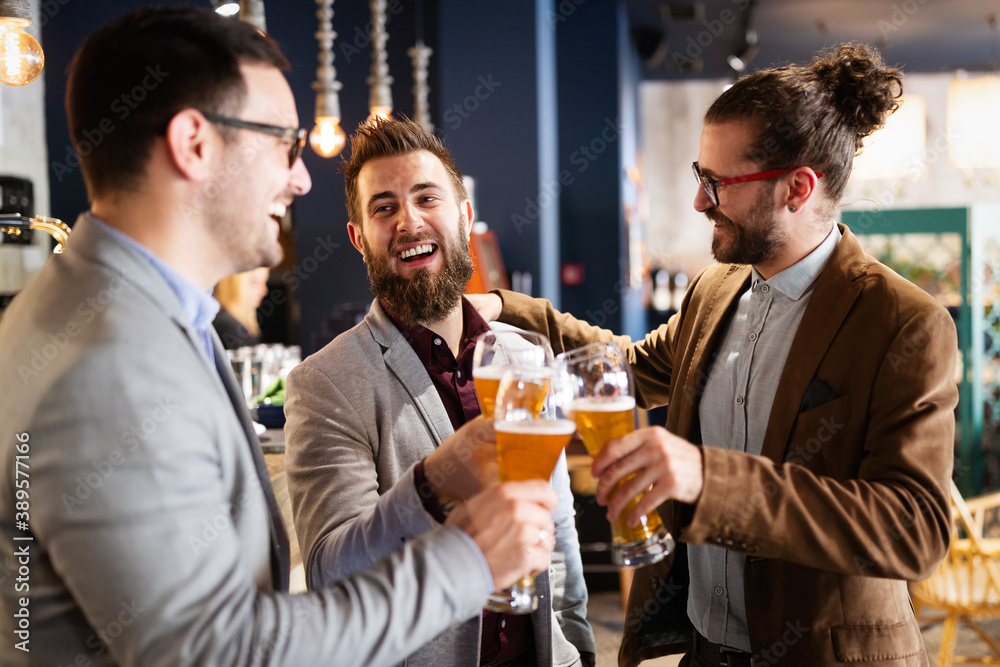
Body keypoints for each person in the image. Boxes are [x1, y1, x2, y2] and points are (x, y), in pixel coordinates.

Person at [0, 7, 559, 666]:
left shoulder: (136, 314)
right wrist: (469, 558)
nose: (299, 179)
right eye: (283, 144)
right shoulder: (108, 361)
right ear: (194, 144)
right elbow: (222, 651)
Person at [472, 44, 958, 666]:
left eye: (717, 184)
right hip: (705, 648)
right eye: (700, 177)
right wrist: (504, 309)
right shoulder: (718, 286)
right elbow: (634, 368)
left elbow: (913, 530)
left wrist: (708, 480)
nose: (700, 202)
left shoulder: (904, 323)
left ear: (796, 189)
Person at [283, 117, 596, 667]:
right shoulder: (324, 384)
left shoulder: (526, 355)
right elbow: (330, 569)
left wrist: (579, 646)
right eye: (383, 207)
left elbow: (558, 523)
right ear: (359, 238)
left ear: (465, 215)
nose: (408, 221)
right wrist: (429, 488)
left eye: (427, 197)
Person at [214, 266, 270, 348]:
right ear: (234, 285)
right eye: (255, 283)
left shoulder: (237, 323)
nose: (264, 290)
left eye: (264, 283)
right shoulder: (228, 326)